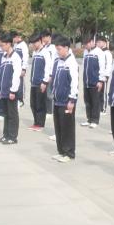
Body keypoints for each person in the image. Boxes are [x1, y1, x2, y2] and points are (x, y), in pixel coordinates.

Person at [51, 35, 79, 163]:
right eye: (56, 49)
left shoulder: (71, 62)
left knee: (67, 127)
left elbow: (74, 83)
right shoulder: (59, 61)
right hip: (58, 99)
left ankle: (69, 152)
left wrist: (72, 100)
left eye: (59, 49)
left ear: (67, 48)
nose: (58, 52)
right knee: (59, 126)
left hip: (67, 101)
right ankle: (61, 151)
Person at [0, 33, 22, 145]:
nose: (1, 47)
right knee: (6, 114)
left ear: (8, 44)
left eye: (2, 45)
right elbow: (1, 74)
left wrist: (13, 90)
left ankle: (12, 137)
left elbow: (16, 75)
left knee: (12, 114)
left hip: (11, 91)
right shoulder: (4, 56)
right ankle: (6, 135)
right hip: (3, 90)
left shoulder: (15, 57)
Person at [29, 32, 52, 131]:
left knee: (40, 104)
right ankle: (36, 122)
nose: (33, 45)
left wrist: (45, 82)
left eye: (34, 43)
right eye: (32, 43)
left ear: (39, 41)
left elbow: (48, 67)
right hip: (33, 82)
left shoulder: (45, 52)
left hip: (41, 83)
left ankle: (40, 124)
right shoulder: (35, 52)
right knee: (33, 104)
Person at [81, 36, 105, 129]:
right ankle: (89, 119)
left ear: (92, 42)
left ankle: (95, 120)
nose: (85, 46)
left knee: (95, 102)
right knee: (87, 101)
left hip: (95, 82)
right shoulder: (86, 52)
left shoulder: (99, 52)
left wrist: (100, 81)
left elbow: (102, 67)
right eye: (84, 44)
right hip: (86, 81)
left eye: (86, 44)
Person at [97, 36, 113, 115]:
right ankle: (98, 107)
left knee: (103, 93)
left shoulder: (107, 53)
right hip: (99, 75)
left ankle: (103, 109)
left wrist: (106, 76)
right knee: (98, 92)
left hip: (104, 76)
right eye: (97, 42)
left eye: (99, 42)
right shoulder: (99, 52)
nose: (97, 44)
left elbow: (109, 65)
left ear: (104, 43)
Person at [41, 30, 56, 117]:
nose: (43, 39)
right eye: (42, 37)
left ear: (49, 37)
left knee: (49, 92)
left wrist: (51, 74)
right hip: (43, 73)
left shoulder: (53, 48)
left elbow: (53, 61)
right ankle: (45, 109)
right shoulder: (44, 48)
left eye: (45, 37)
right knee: (43, 92)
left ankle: (50, 111)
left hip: (50, 73)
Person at [12, 32, 30, 107]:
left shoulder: (23, 45)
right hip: (15, 67)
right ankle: (16, 98)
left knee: (20, 84)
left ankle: (20, 100)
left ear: (17, 37)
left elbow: (25, 57)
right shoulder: (15, 45)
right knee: (15, 82)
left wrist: (24, 68)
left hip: (20, 68)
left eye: (14, 38)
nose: (13, 40)